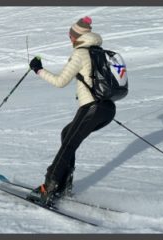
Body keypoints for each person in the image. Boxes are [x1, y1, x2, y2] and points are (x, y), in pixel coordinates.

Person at [26, 16, 116, 205]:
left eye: (71, 35)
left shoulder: (81, 53)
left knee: (68, 145)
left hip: (91, 108)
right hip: (107, 108)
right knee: (67, 134)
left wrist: (38, 70)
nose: (70, 39)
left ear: (77, 36)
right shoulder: (98, 51)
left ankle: (48, 187)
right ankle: (64, 185)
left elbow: (60, 82)